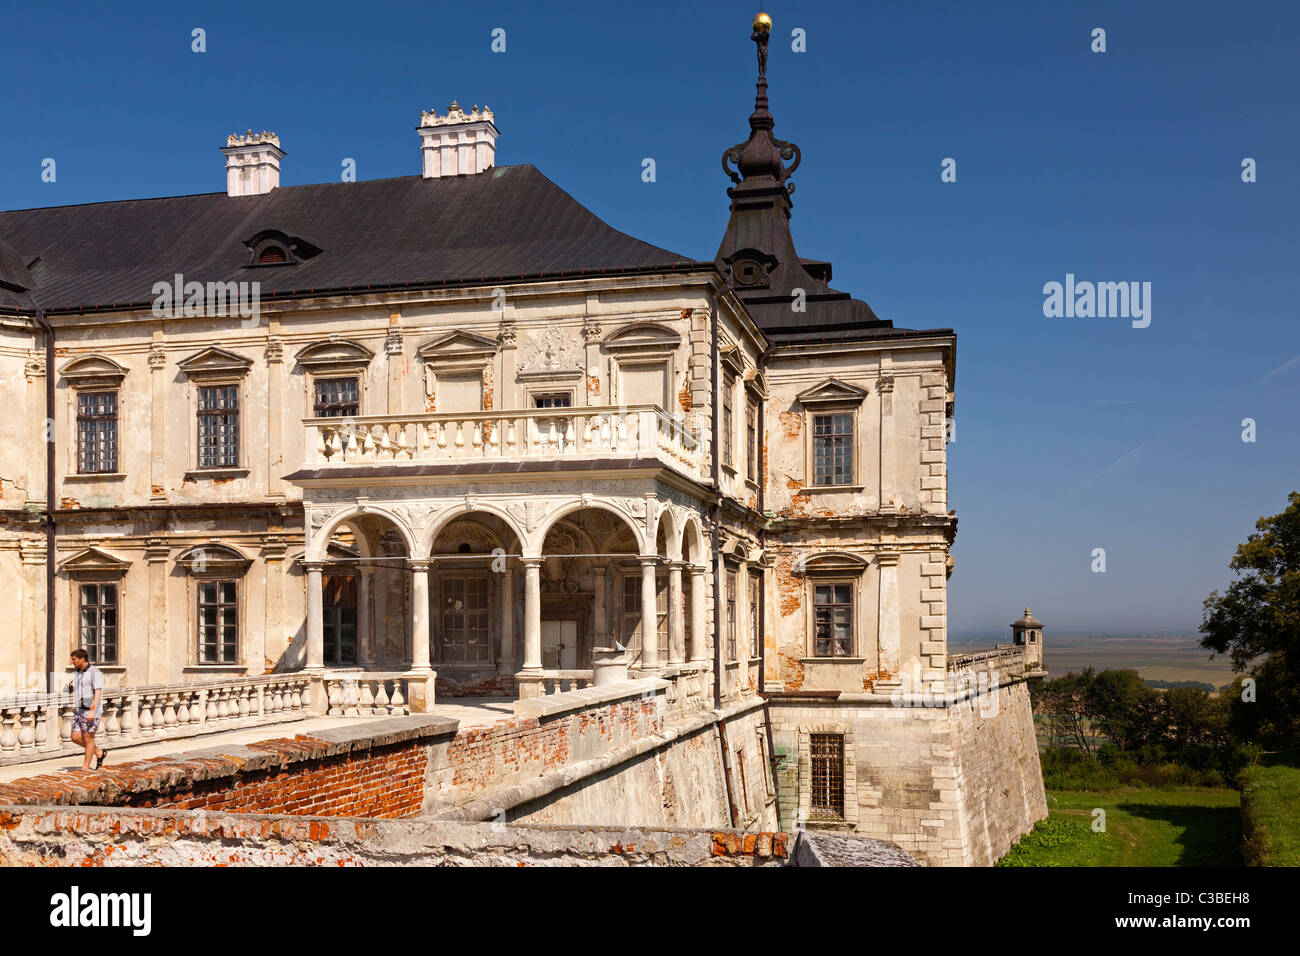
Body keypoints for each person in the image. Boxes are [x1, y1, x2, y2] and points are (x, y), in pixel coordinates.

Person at [66, 649, 108, 770]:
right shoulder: (78, 672)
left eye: (74, 659)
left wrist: (92, 710)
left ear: (82, 659)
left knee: (88, 738)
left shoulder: (95, 672)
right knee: (75, 737)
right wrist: (70, 687)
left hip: (90, 709)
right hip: (79, 708)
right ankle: (99, 752)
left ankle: (85, 767)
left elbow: (98, 692)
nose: (72, 662)